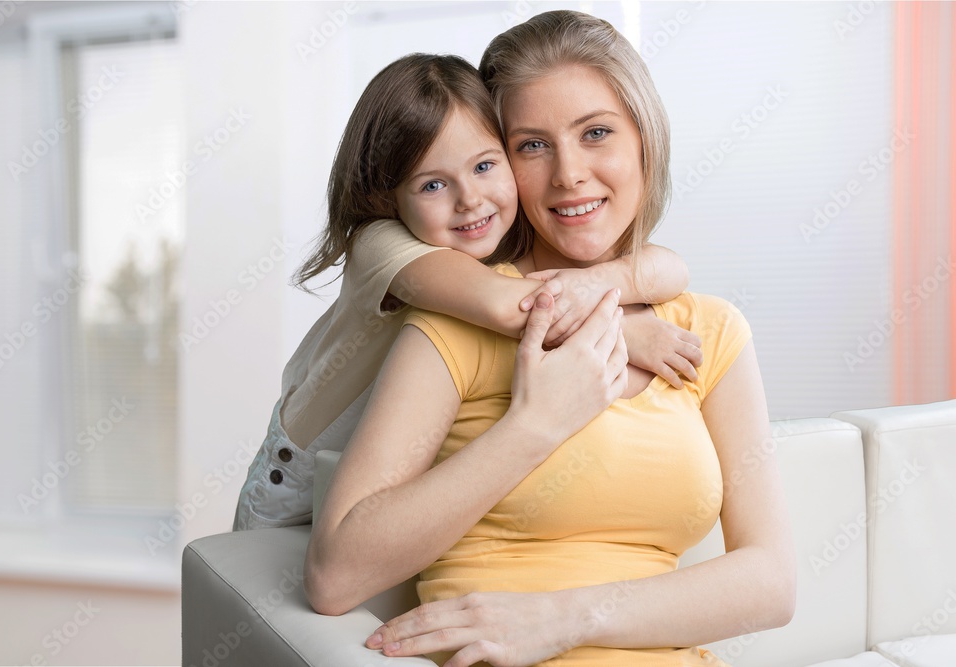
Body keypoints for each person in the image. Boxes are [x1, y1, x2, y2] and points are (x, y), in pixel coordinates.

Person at [305, 10, 796, 667]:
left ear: (645, 140)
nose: (568, 173)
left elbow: (772, 581)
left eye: (596, 132)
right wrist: (536, 424)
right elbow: (336, 574)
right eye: (531, 145)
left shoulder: (709, 330)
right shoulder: (460, 317)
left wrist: (564, 617)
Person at [232, 53, 700, 531]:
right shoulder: (382, 244)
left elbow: (671, 268)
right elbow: (509, 305)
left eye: (484, 166)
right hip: (296, 490)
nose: (470, 199)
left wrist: (598, 281)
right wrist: (627, 331)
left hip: (395, 483)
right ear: (385, 196)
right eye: (433, 184)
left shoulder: (491, 240)